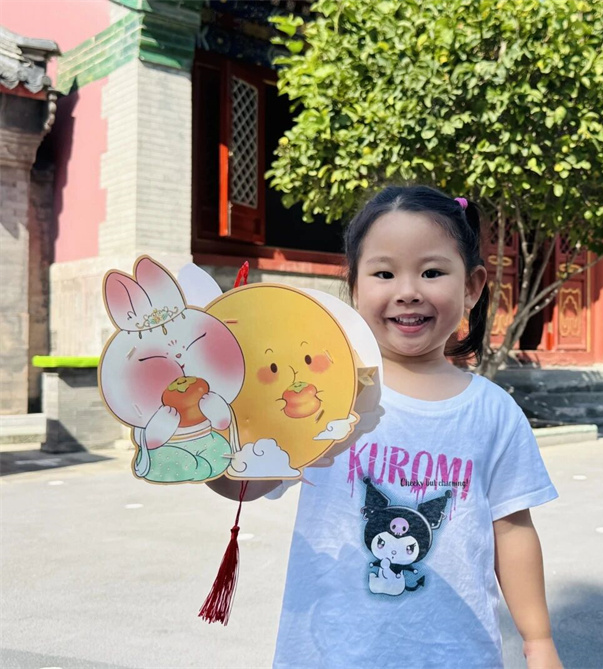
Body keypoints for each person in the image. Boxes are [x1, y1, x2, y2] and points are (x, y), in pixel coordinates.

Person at [209, 185, 562, 669]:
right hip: (331, 654)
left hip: (454, 655)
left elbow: (513, 529)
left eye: (432, 272)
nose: (408, 290)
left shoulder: (493, 412)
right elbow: (244, 484)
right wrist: (207, 439)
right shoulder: (323, 396)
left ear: (472, 286)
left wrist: (538, 640)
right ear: (355, 287)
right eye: (384, 273)